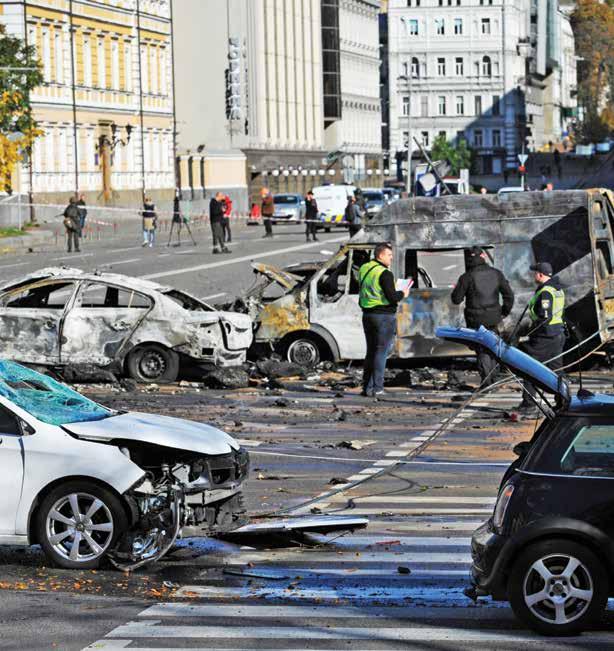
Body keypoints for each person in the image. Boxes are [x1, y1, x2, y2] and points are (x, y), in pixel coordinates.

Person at [451, 246, 515, 386]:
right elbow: (509, 295)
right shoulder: (496, 273)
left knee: (482, 349)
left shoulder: (466, 276)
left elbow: (456, 299)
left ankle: (488, 382)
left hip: (475, 319)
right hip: (494, 318)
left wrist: (457, 288)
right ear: (483, 256)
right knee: (493, 346)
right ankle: (493, 379)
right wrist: (503, 312)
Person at [359, 243, 410, 397]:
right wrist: (403, 293)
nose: (391, 258)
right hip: (383, 316)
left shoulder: (365, 268)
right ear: (380, 255)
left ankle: (367, 387)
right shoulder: (385, 273)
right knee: (381, 352)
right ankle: (378, 388)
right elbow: (392, 297)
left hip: (367, 315)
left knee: (371, 351)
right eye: (389, 255)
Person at [517, 262, 566, 412]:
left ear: (540, 274)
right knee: (557, 370)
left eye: (535, 273)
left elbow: (544, 317)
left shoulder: (545, 292)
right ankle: (563, 402)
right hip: (557, 333)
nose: (533, 275)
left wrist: (529, 333)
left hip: (545, 336)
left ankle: (528, 403)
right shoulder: (557, 289)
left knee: (530, 367)